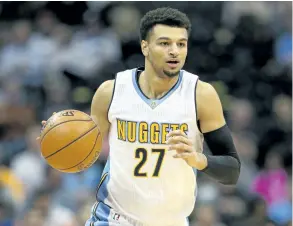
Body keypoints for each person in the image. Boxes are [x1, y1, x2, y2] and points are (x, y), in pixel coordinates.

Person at [41, 7, 241, 226]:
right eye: (165, 43)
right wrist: (61, 135)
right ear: (145, 46)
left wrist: (199, 160)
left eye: (181, 44)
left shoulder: (201, 95)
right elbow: (86, 152)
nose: (174, 51)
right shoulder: (111, 92)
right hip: (112, 219)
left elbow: (232, 170)